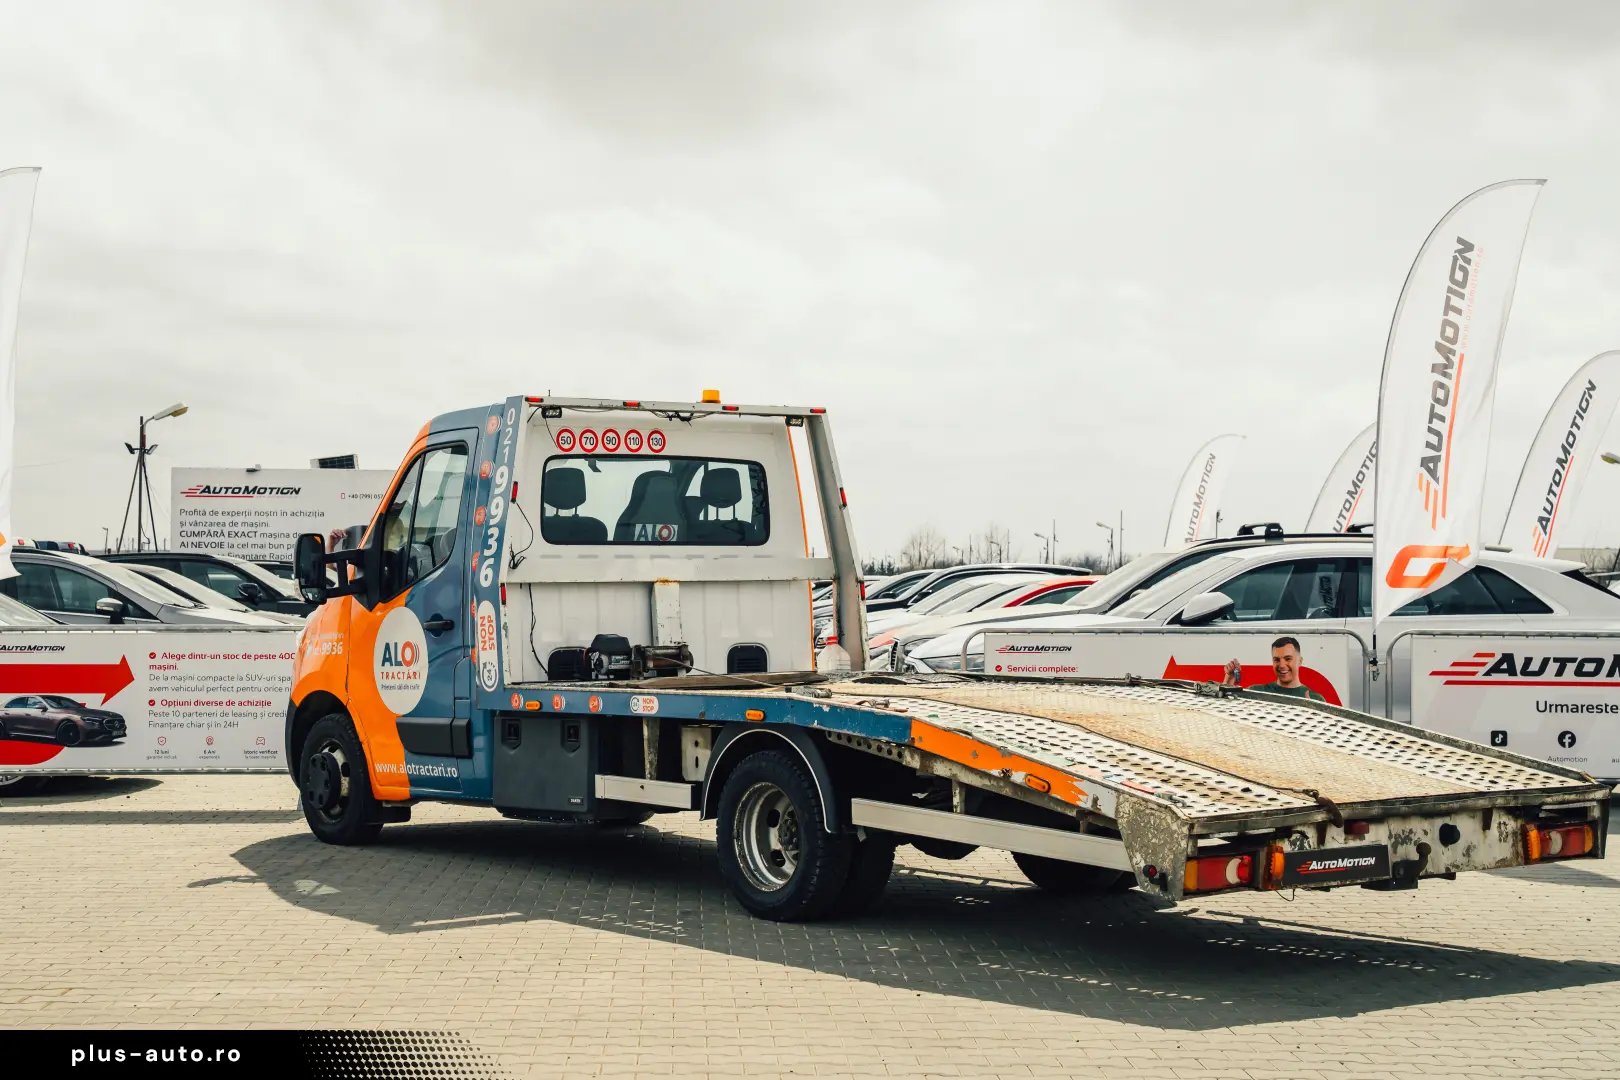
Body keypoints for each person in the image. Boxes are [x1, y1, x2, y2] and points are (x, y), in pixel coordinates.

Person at [1223, 636, 1325, 701]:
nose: (1282, 665)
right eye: (1277, 660)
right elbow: (1226, 712)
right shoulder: (1256, 692)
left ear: (1300, 661)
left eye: (1288, 659)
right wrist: (1229, 679)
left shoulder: (1316, 699)